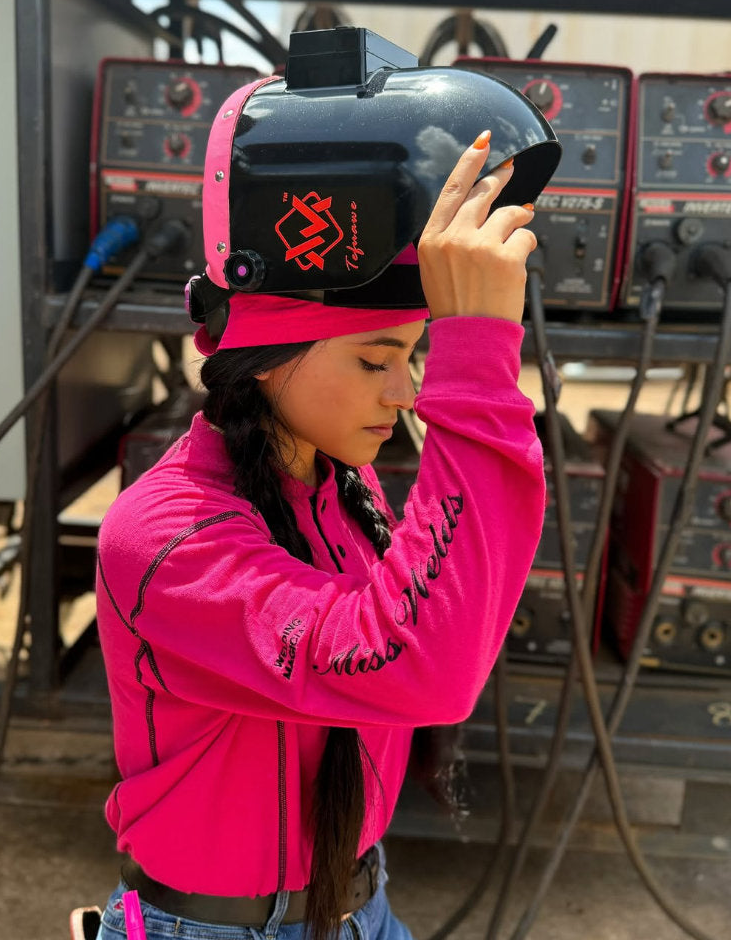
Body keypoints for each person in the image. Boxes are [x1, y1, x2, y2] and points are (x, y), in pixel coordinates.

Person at [93, 126, 545, 940]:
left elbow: (462, 615)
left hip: (359, 905)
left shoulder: (338, 480)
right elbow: (420, 666)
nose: (404, 393)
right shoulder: (166, 538)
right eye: (376, 362)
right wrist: (476, 362)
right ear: (265, 354)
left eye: (415, 357)